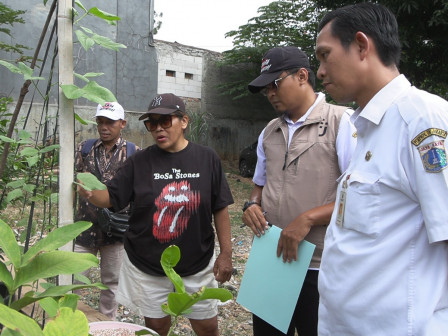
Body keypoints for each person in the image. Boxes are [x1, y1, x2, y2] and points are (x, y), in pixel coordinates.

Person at [315, 3, 448, 335]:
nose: (319, 71)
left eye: (324, 55)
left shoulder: (421, 120)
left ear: (361, 46)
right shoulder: (367, 126)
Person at [77, 93, 234, 336]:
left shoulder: (207, 158)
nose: (158, 128)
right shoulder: (139, 161)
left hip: (197, 263)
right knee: (157, 327)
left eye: (165, 121)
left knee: (207, 326)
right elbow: (111, 197)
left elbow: (220, 207)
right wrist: (91, 193)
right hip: (148, 264)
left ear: (184, 121)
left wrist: (226, 253)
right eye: (152, 123)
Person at [242, 46, 357, 336]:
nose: (270, 93)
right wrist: (251, 205)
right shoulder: (270, 130)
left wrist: (307, 219)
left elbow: (358, 197)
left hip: (319, 263)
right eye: (265, 87)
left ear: (303, 75)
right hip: (271, 258)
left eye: (275, 84)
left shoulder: (342, 123)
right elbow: (259, 183)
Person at [74, 101, 139, 320]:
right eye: (100, 121)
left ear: (122, 123)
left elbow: (139, 191)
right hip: (84, 228)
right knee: (72, 279)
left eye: (110, 122)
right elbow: (71, 182)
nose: (104, 127)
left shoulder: (133, 153)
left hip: (116, 232)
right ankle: (69, 321)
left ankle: (107, 324)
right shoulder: (84, 149)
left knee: (111, 283)